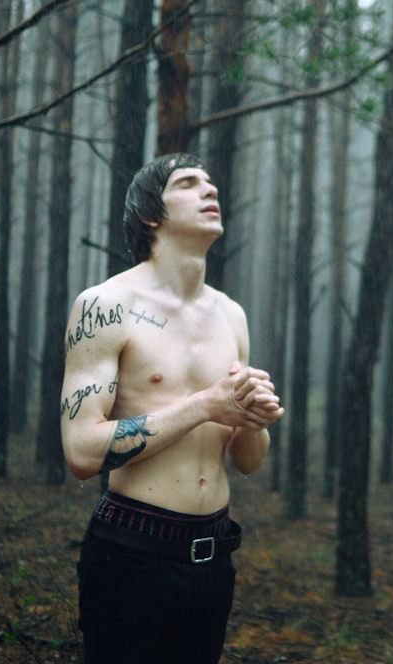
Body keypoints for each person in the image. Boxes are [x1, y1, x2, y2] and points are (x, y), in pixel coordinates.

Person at [60, 153, 284, 663]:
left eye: (211, 182)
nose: (210, 191)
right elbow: (80, 451)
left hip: (213, 558)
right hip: (130, 555)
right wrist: (206, 404)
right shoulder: (105, 306)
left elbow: (248, 461)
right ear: (150, 215)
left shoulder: (231, 314)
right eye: (189, 183)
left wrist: (255, 418)